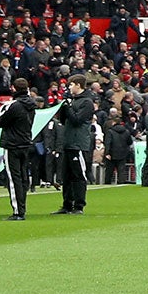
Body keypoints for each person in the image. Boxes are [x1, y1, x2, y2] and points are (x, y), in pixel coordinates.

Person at [0, 78, 37, 221]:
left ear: (14, 89)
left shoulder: (14, 106)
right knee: (23, 176)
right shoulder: (32, 105)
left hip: (12, 144)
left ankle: (18, 211)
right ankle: (22, 206)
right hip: (26, 143)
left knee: (14, 178)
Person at [58, 76, 95, 214]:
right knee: (66, 176)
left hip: (78, 144)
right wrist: (64, 107)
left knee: (79, 175)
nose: (69, 87)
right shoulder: (72, 101)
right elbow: (63, 120)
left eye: (71, 84)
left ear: (78, 85)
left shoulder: (87, 102)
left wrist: (68, 107)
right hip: (68, 142)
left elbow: (77, 120)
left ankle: (79, 205)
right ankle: (67, 204)